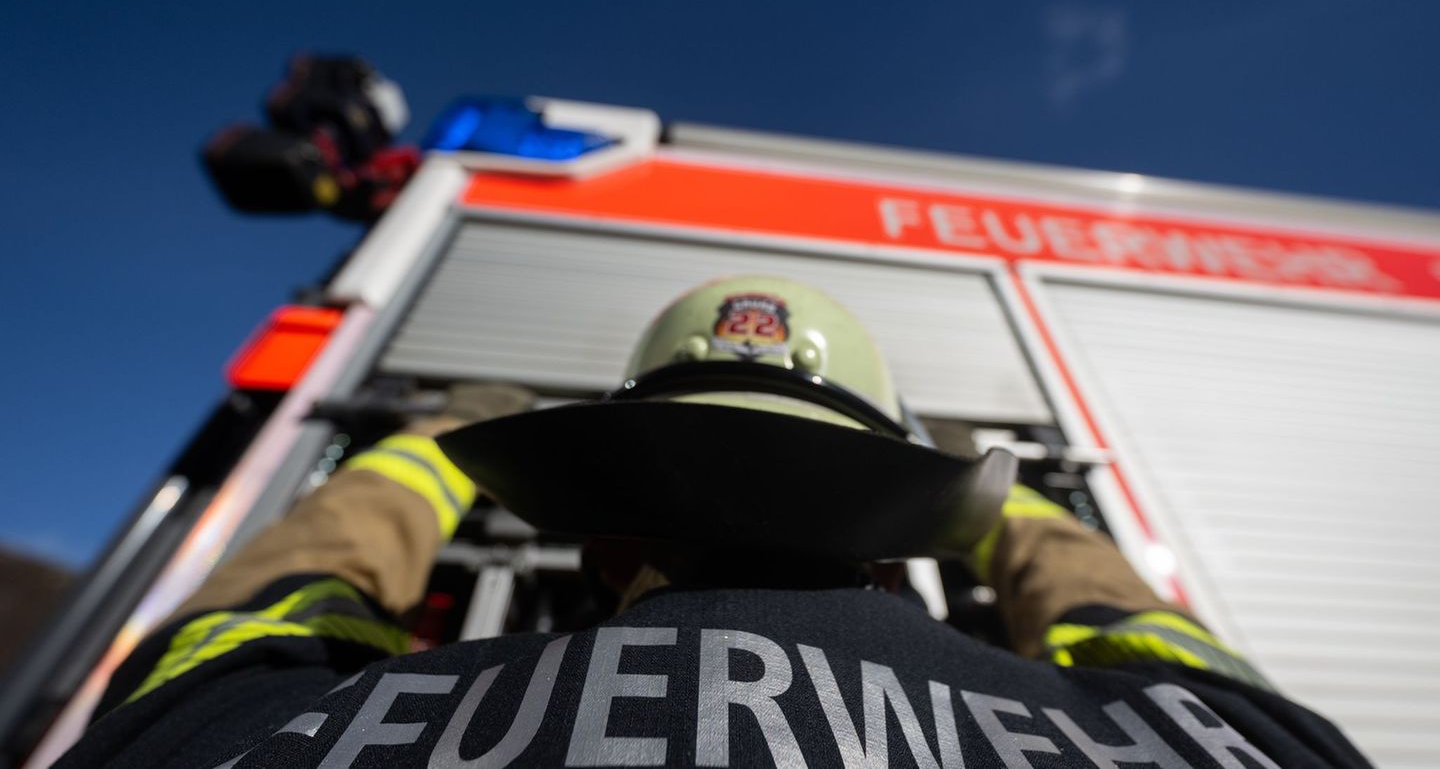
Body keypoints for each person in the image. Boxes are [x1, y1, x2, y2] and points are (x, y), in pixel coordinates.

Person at [58, 276, 1370, 768]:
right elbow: (1139, 629)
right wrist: (1004, 505)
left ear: (604, 541)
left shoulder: (276, 734)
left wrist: (422, 457)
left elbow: (241, 628)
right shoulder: (1208, 743)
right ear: (890, 544)